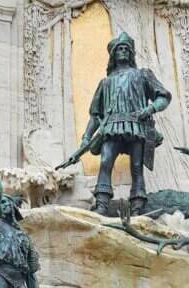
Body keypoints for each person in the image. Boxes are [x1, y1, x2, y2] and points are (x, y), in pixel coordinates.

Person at [73, 32, 172, 216]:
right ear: (113, 55)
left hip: (136, 125)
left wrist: (150, 110)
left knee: (136, 166)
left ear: (131, 53)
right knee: (105, 161)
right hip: (111, 127)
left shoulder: (142, 75)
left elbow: (163, 96)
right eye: (120, 48)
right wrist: (86, 138)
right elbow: (95, 115)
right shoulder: (106, 82)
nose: (124, 51)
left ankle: (137, 204)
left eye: (127, 48)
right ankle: (102, 202)